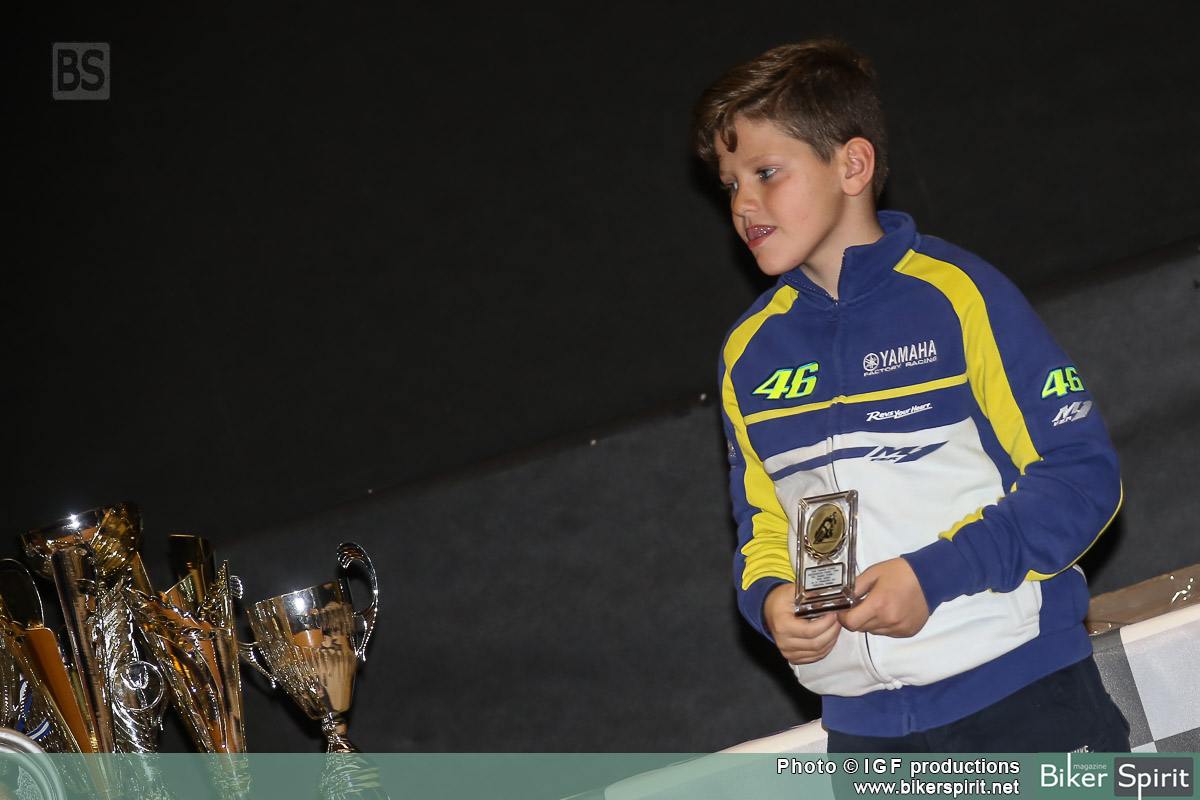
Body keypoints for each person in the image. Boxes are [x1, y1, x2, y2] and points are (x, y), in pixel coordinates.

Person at [691, 39, 1130, 752]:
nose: (743, 203)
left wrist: (935, 577)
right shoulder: (748, 353)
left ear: (853, 165)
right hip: (863, 735)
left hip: (1022, 694)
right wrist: (770, 600)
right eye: (729, 183)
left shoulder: (959, 295)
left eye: (766, 172)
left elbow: (1081, 477)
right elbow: (764, 524)